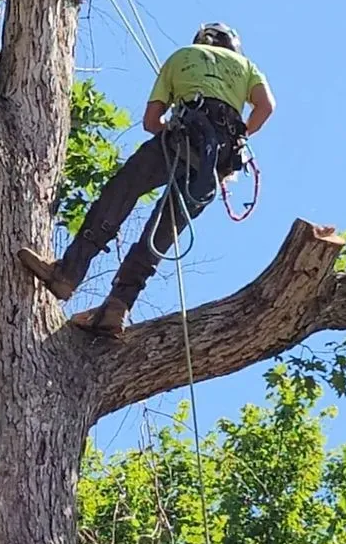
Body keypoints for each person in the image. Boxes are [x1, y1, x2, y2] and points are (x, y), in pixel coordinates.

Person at [18, 22, 276, 335]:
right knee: (162, 233)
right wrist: (238, 134)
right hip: (214, 164)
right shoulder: (247, 66)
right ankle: (118, 306)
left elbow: (151, 122)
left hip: (177, 141)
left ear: (202, 40)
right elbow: (266, 107)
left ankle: (68, 274)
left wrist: (172, 128)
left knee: (119, 195)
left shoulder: (184, 55)